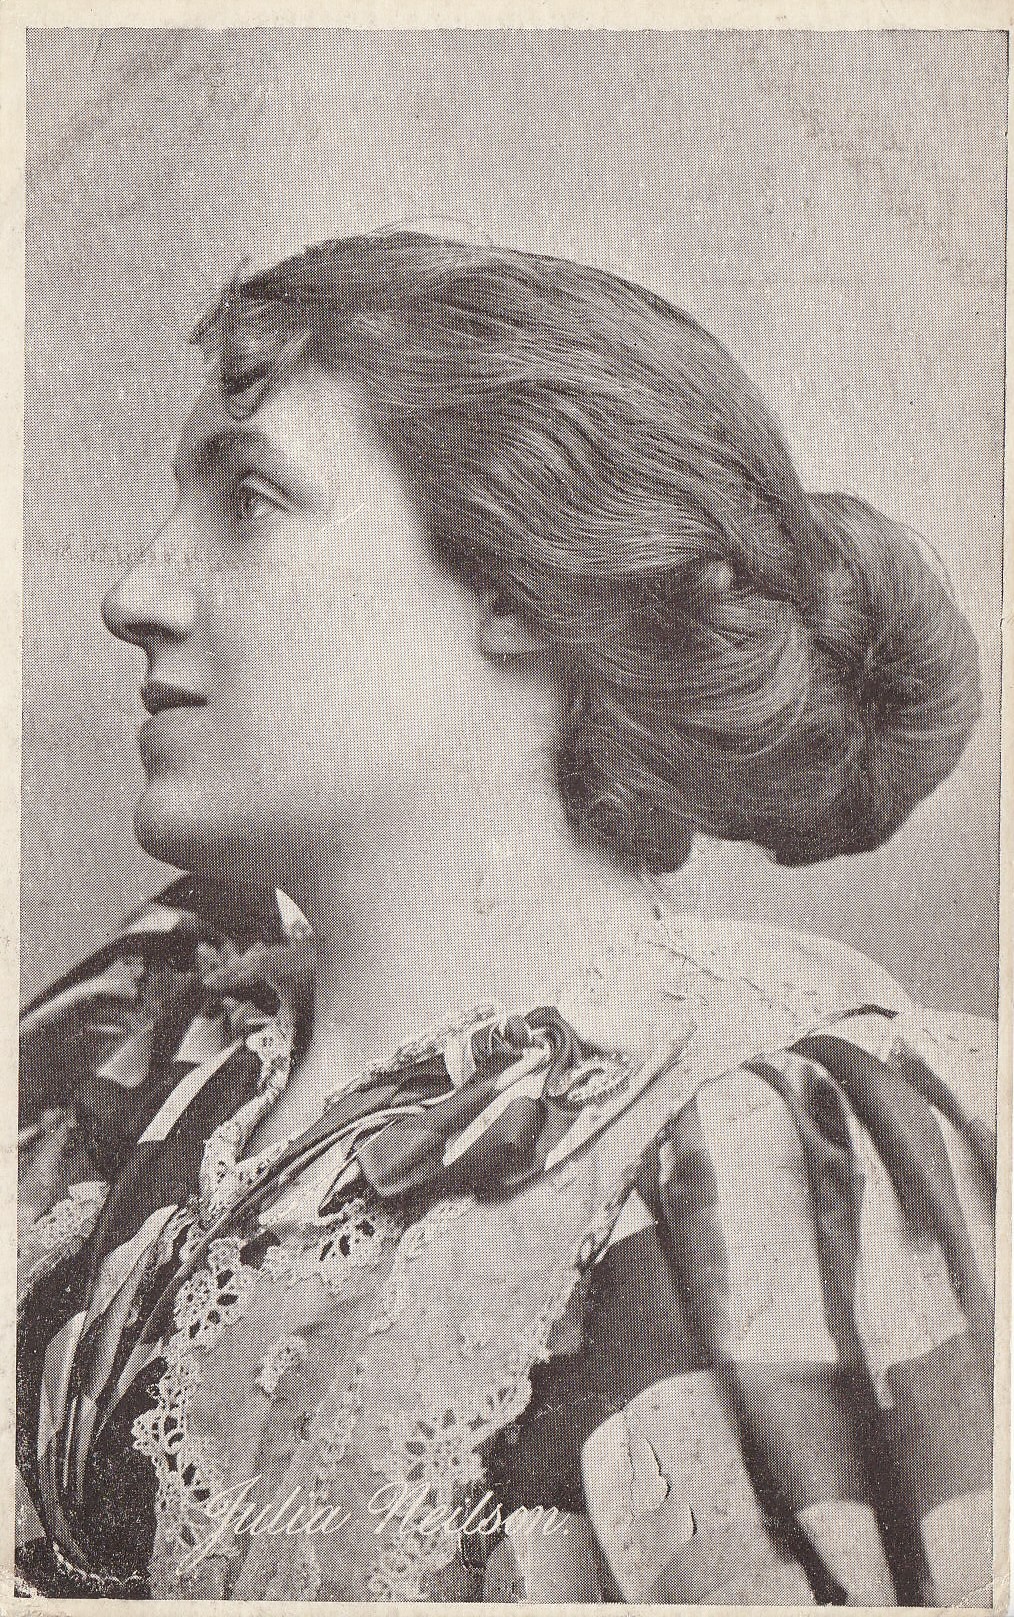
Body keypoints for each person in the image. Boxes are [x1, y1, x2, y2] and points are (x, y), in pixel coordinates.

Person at [17, 232, 995, 1604]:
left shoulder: (776, 1149)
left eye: (248, 501)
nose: (133, 594)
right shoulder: (135, 1045)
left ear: (523, 591)